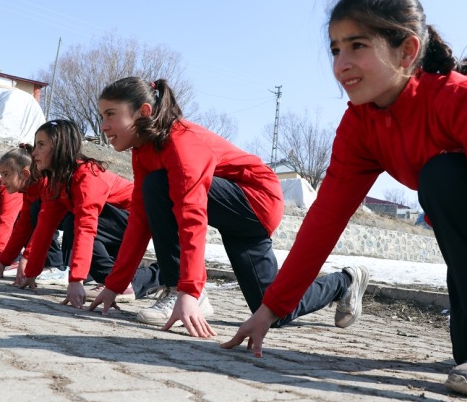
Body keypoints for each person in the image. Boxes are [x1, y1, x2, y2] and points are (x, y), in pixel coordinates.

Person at [221, 0, 467, 402]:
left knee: (442, 176)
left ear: (407, 51)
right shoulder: (361, 126)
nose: (341, 64)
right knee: (466, 352)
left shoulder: (465, 98)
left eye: (357, 46)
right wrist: (268, 311)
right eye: (335, 49)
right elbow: (324, 220)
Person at [89, 77, 368, 339]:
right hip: (231, 210)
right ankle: (345, 282)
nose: (103, 125)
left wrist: (188, 290)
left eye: (110, 114)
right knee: (274, 310)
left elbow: (191, 220)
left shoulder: (180, 144)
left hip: (256, 200)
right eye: (101, 116)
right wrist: (116, 284)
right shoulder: (144, 151)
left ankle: (183, 292)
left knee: (157, 184)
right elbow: (140, 220)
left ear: (143, 112)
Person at [18, 119, 162, 308]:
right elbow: (45, 227)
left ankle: (156, 274)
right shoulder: (58, 180)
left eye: (41, 145)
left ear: (61, 147)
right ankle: (113, 279)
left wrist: (76, 280)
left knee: (74, 222)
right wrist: (32, 272)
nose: (34, 152)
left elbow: (86, 227)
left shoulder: (86, 176)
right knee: (66, 219)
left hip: (136, 218)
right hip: (112, 224)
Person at [0, 144, 67, 286]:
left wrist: (27, 259)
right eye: (1, 175)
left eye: (6, 174)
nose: (3, 181)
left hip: (84, 219)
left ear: (25, 174)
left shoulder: (45, 185)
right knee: (28, 219)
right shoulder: (28, 189)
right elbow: (23, 228)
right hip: (60, 221)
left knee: (37, 215)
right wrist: (3, 261)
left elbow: (44, 228)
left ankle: (57, 266)